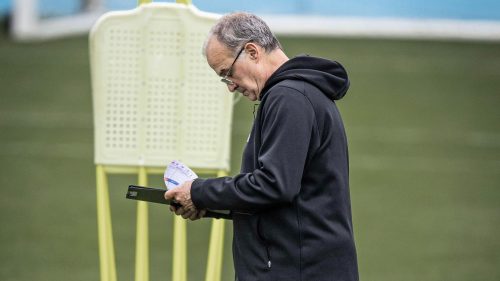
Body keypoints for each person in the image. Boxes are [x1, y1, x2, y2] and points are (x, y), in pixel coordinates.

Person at [165, 12, 359, 281]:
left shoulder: (288, 98)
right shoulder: (297, 94)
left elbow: (273, 185)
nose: (230, 86)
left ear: (253, 51)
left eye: (227, 73)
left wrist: (199, 191)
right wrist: (207, 203)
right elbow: (286, 201)